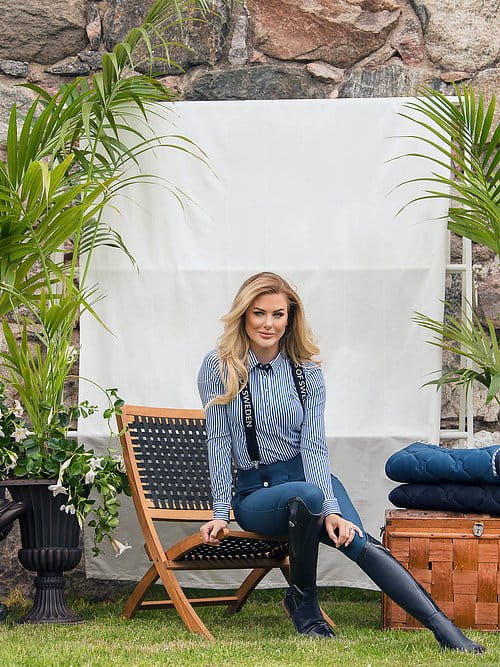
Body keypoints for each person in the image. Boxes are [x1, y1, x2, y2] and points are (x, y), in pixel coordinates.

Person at [197, 272, 484, 652]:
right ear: (244, 315)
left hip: (311, 483)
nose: (268, 324)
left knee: (358, 541)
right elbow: (218, 442)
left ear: (290, 318)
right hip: (257, 494)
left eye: (278, 314)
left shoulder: (307, 372)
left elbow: (314, 446)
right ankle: (305, 604)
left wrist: (331, 510)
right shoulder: (219, 366)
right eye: (259, 313)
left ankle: (445, 630)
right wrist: (220, 512)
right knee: (308, 496)